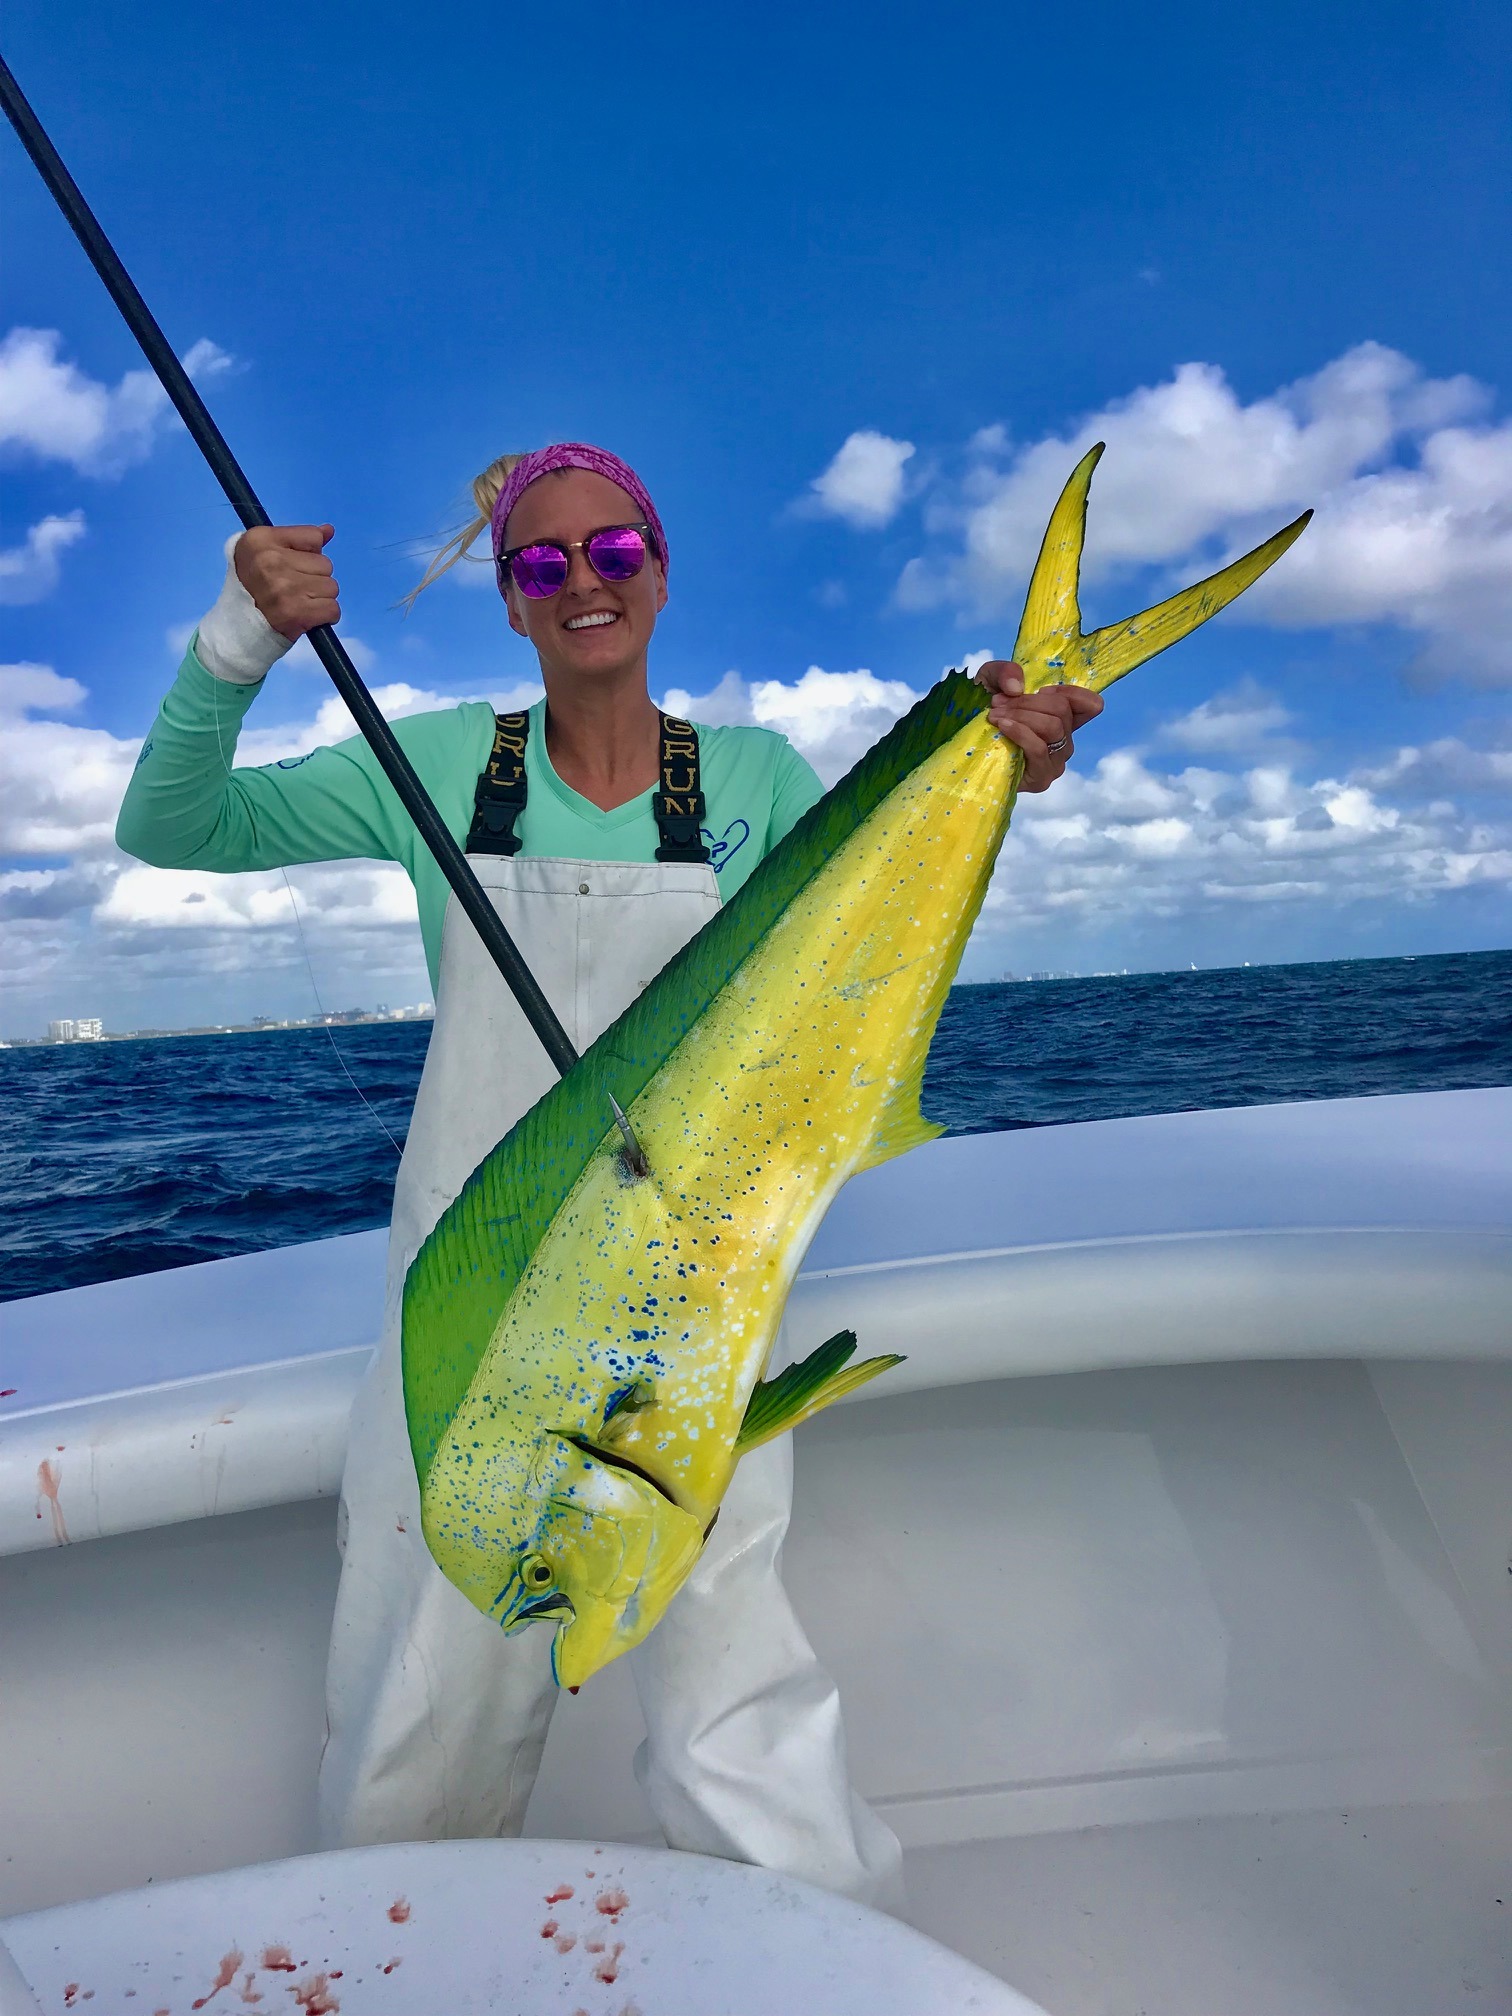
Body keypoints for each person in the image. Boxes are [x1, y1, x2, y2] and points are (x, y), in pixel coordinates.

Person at [116, 442, 1102, 1906]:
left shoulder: (753, 779)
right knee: (422, 1685)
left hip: (696, 1306)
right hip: (474, 1320)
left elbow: (843, 962)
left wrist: (992, 772)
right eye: (542, 564)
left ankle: (815, 1958)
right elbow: (169, 825)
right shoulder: (441, 766)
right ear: (513, 606)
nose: (583, 582)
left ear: (659, 571)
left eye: (614, 554)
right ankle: (404, 1954)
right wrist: (238, 639)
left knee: (734, 1672)